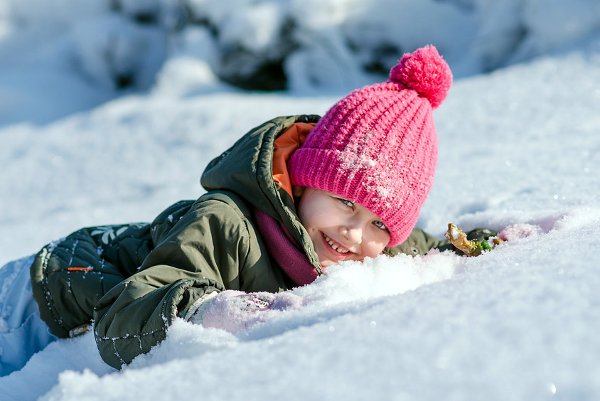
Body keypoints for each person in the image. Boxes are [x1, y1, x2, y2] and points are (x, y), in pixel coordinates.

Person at [1, 45, 487, 374]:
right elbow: (123, 317)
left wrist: (473, 245)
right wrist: (209, 310)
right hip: (42, 298)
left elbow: (416, 245)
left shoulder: (366, 245)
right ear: (302, 182)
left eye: (380, 222)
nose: (356, 235)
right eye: (343, 201)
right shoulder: (226, 222)